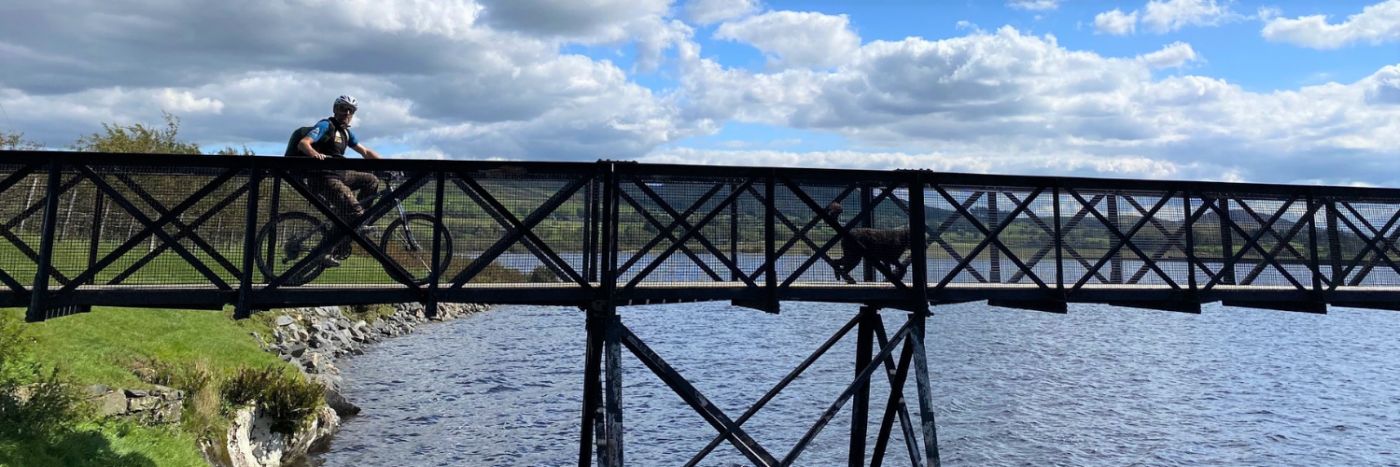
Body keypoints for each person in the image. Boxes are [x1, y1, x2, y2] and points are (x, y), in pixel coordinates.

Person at [296, 95, 383, 267]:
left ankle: (355, 220)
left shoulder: (346, 132)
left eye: (351, 110)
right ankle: (351, 223)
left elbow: (364, 152)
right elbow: (303, 143)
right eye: (343, 108)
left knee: (371, 181)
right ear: (335, 109)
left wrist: (387, 166)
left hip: (339, 174)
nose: (347, 112)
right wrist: (315, 155)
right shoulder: (325, 125)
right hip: (323, 176)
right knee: (353, 211)